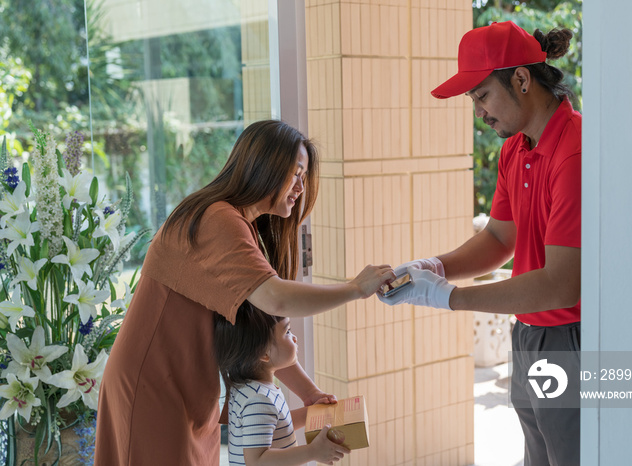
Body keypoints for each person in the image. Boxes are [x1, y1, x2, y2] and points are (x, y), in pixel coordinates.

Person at [95, 120, 394, 465]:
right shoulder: (217, 219)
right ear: (264, 166)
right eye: (295, 173)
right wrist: (355, 289)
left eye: (304, 175)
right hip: (152, 384)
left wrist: (309, 395)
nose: (301, 186)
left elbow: (261, 335)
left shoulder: (240, 225)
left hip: (185, 384)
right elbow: (276, 299)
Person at [379, 21, 581, 466]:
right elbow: (498, 238)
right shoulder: (516, 149)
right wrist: (435, 268)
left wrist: (451, 298)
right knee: (538, 457)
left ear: (522, 79)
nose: (478, 112)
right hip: (528, 333)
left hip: (570, 338)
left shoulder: (575, 150)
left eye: (482, 95)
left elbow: (563, 284)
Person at [214, 301, 349, 465]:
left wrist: (311, 413)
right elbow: (257, 461)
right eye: (287, 332)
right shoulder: (259, 400)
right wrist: (312, 451)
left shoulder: (248, 389)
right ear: (264, 353)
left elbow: (274, 424)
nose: (295, 338)